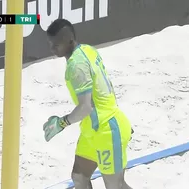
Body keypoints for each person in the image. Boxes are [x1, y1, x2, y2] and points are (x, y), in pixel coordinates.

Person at [43, 18, 133, 189]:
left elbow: (85, 107)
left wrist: (62, 123)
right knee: (79, 177)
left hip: (107, 130)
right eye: (50, 43)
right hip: (92, 129)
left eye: (56, 44)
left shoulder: (76, 66)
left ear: (69, 40)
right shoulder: (87, 50)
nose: (52, 48)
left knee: (116, 186)